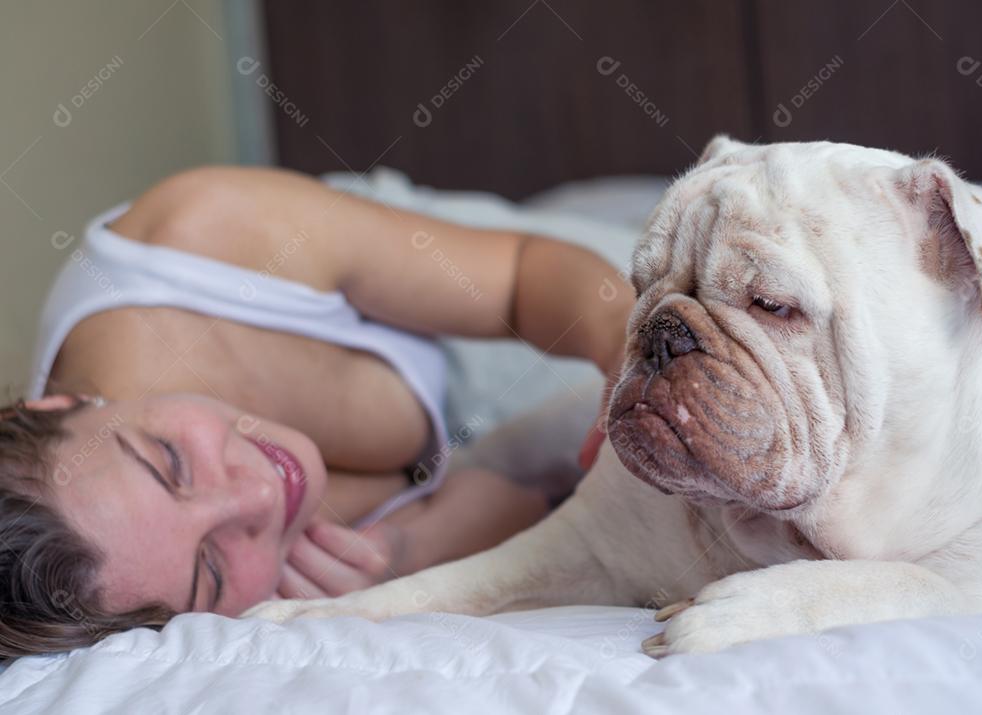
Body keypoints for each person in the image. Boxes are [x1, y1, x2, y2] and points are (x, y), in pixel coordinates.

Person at [0, 165, 633, 659]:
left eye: (170, 463)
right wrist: (406, 555)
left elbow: (525, 276)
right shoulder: (175, 574)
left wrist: (624, 350)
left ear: (61, 405)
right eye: (211, 571)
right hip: (484, 435)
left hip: (498, 300)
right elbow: (520, 503)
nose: (258, 497)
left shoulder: (198, 239)